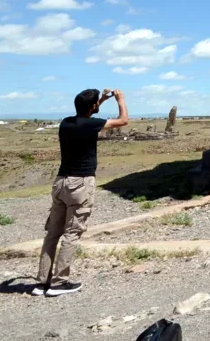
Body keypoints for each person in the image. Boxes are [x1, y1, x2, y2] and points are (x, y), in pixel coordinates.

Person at [33, 88, 129, 296]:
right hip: (81, 183)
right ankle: (59, 282)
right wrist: (120, 100)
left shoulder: (66, 123)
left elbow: (86, 114)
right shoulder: (91, 125)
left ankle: (42, 282)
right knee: (72, 233)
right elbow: (123, 121)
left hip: (61, 182)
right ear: (93, 108)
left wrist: (101, 100)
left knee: (53, 234)